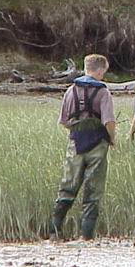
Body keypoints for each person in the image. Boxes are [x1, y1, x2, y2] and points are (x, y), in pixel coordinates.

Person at [49, 54, 116, 241]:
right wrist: (112, 139)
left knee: (68, 186)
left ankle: (54, 232)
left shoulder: (71, 90)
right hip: (98, 146)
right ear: (100, 70)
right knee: (93, 190)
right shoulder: (103, 92)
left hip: (76, 143)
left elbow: (63, 120)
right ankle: (87, 236)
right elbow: (108, 121)